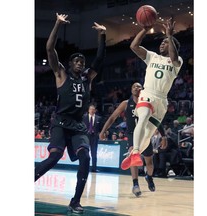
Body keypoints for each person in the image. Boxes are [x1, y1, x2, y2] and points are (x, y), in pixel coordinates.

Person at [34, 13, 106, 214]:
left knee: (86, 159)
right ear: (70, 63)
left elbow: (99, 60)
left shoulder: (87, 79)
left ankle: (75, 201)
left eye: (82, 60)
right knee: (55, 156)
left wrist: (102, 36)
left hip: (77, 125)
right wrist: (57, 23)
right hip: (60, 122)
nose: (80, 62)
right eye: (76, 60)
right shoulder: (61, 73)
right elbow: (50, 48)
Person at [121, 18, 183, 170]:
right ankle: (135, 151)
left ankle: (134, 155)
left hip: (162, 100)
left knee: (148, 133)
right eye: (162, 42)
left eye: (166, 42)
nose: (162, 43)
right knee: (143, 117)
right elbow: (134, 46)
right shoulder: (152, 56)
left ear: (173, 46)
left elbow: (174, 58)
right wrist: (145, 29)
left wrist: (170, 36)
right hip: (147, 93)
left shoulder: (177, 61)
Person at [99, 83, 156, 197]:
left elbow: (155, 120)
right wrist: (103, 131)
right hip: (131, 134)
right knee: (133, 155)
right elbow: (112, 118)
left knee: (149, 163)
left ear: (142, 90)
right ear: (131, 90)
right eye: (134, 86)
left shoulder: (146, 103)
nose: (136, 88)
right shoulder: (125, 103)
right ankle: (135, 184)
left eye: (139, 86)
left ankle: (149, 177)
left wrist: (163, 135)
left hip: (144, 135)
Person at [82, 104, 102, 172]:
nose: (92, 110)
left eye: (93, 109)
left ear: (95, 110)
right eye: (91, 109)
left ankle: (94, 168)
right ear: (88, 110)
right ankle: (84, 167)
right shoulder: (84, 117)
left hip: (94, 137)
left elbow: (100, 128)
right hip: (86, 137)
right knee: (85, 153)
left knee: (94, 153)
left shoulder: (98, 118)